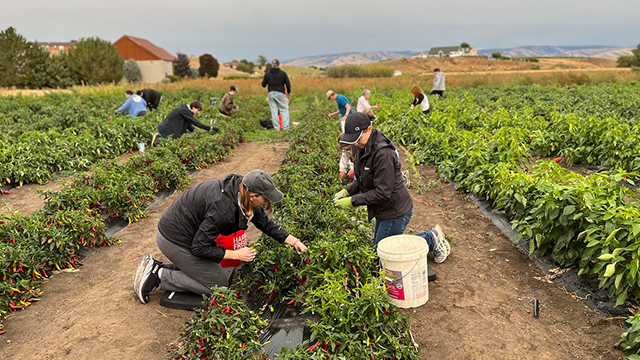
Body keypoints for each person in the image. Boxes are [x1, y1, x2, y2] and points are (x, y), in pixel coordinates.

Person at [133, 170, 308, 303]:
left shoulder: (241, 192)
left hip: (187, 235)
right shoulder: (222, 208)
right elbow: (199, 248)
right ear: (253, 196)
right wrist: (236, 254)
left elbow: (265, 224)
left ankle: (156, 267)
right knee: (218, 286)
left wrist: (294, 242)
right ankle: (159, 276)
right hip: (175, 239)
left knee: (212, 270)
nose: (268, 202)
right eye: (266, 199)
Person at [333, 112, 450, 262]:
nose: (355, 144)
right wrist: (347, 191)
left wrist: (352, 201)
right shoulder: (362, 146)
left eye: (357, 139)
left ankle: (430, 239)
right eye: (353, 141)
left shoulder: (383, 154)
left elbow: (382, 193)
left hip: (394, 210)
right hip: (382, 208)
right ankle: (430, 237)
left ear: (369, 129)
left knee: (384, 254)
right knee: (383, 249)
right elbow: (362, 178)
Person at [261, 59, 291, 130]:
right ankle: (286, 127)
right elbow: (288, 84)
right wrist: (288, 92)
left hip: (271, 93)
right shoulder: (283, 73)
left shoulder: (267, 74)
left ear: (272, 65)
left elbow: (263, 85)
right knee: (284, 110)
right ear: (279, 65)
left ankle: (276, 128)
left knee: (274, 111)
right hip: (280, 93)